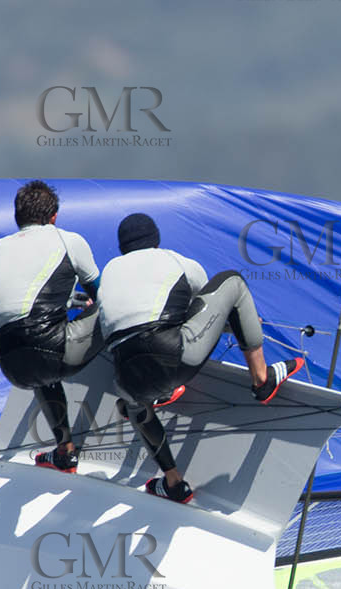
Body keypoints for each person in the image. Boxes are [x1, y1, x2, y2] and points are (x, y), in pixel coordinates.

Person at [98, 212, 303, 503]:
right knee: (231, 281)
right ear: (155, 240)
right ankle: (261, 379)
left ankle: (173, 483)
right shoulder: (173, 260)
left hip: (128, 377)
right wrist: (241, 322)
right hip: (174, 356)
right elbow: (203, 307)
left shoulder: (109, 272)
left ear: (123, 247)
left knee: (136, 405)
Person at [0, 180, 102, 473]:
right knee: (117, 304)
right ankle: (153, 392)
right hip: (54, 350)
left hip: (12, 366)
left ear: (17, 217)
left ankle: (65, 452)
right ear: (54, 218)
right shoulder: (67, 240)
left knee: (42, 370)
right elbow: (102, 295)